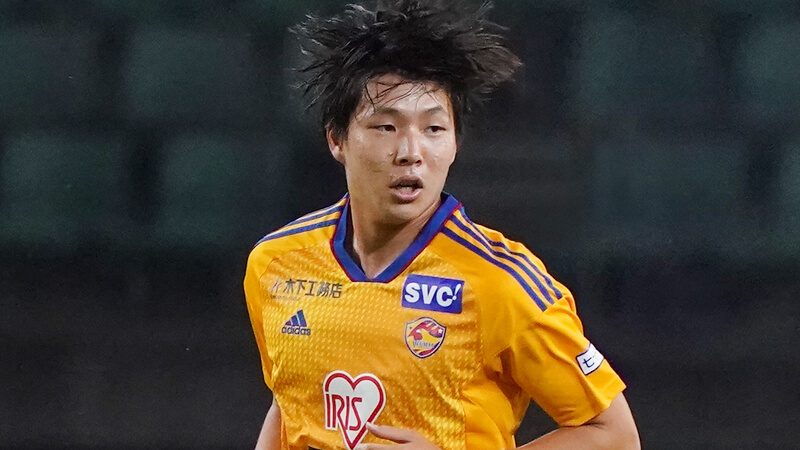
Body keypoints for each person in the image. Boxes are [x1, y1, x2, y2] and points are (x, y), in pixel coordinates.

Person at [243, 1, 640, 449]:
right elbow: (289, 403)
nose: (411, 152)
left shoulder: (499, 283)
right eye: (386, 127)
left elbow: (615, 436)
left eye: (433, 129)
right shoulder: (276, 264)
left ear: (454, 143)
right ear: (336, 139)